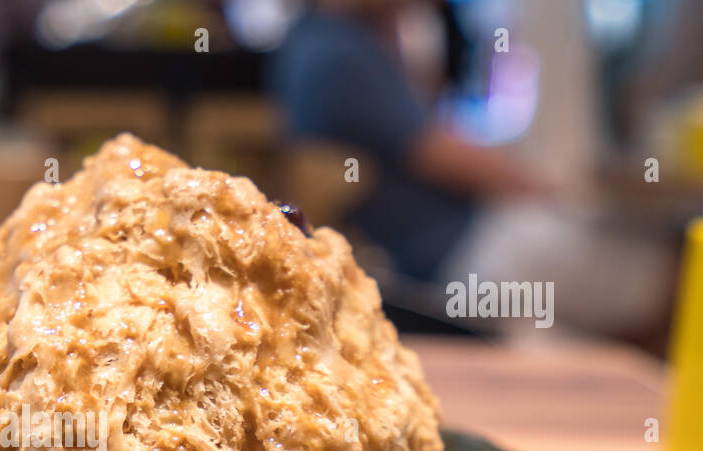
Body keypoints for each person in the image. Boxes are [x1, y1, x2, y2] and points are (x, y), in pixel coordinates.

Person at [273, 0, 676, 342]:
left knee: (626, 266)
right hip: (456, 257)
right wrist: (537, 186)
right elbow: (437, 152)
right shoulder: (340, 53)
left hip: (455, 249)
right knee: (668, 271)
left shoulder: (318, 42)